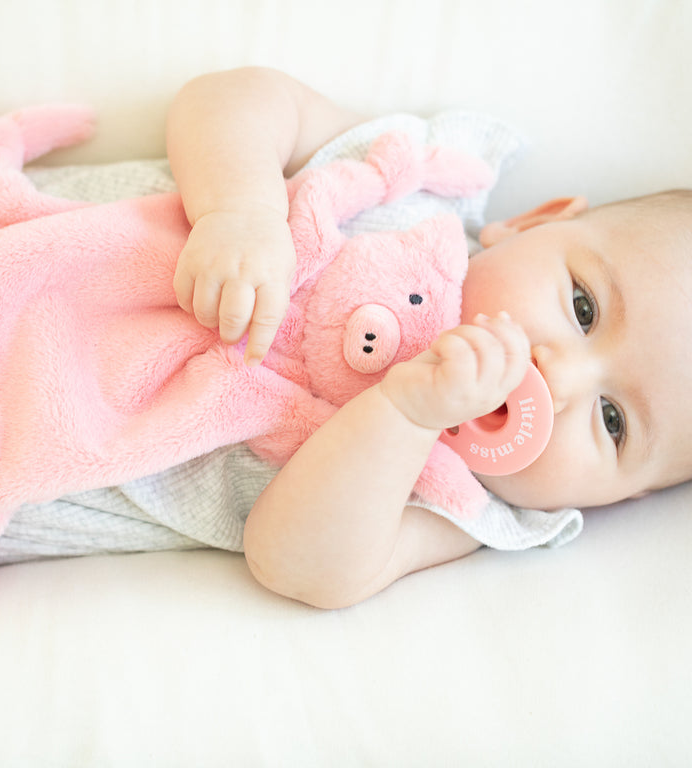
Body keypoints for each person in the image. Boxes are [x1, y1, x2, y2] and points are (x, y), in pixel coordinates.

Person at [164, 67, 692, 608]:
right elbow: (230, 97)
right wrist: (243, 210)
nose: (558, 379)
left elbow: (297, 566)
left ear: (621, 498)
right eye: (584, 307)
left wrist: (406, 417)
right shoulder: (421, 182)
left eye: (613, 421)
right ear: (530, 224)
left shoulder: (462, 505)